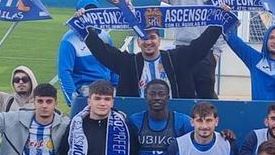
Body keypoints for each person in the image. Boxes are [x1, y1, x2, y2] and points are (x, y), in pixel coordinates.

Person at [76, 11, 227, 98]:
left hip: (174, 119)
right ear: (138, 41)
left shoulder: (176, 59)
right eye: (144, 38)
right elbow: (102, 52)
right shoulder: (129, 63)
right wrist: (84, 28)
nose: (148, 42)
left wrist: (219, 21)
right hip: (139, 120)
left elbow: (200, 46)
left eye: (152, 37)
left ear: (159, 40)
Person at [142, 0, 223, 98]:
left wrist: (216, 53)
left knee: (207, 98)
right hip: (182, 50)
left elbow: (223, 27)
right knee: (183, 95)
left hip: (206, 53)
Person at [58, 0, 118, 108]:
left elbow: (114, 66)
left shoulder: (105, 36)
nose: (91, 16)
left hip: (107, 90)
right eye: (87, 12)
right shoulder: (69, 39)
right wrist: (73, 100)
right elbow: (64, 72)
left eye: (94, 12)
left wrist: (116, 88)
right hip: (85, 92)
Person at [128, 79, 192, 155]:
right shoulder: (135, 121)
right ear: (145, 96)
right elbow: (131, 154)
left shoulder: (183, 122)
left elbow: (193, 150)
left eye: (161, 94)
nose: (157, 98)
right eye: (152, 94)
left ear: (168, 97)